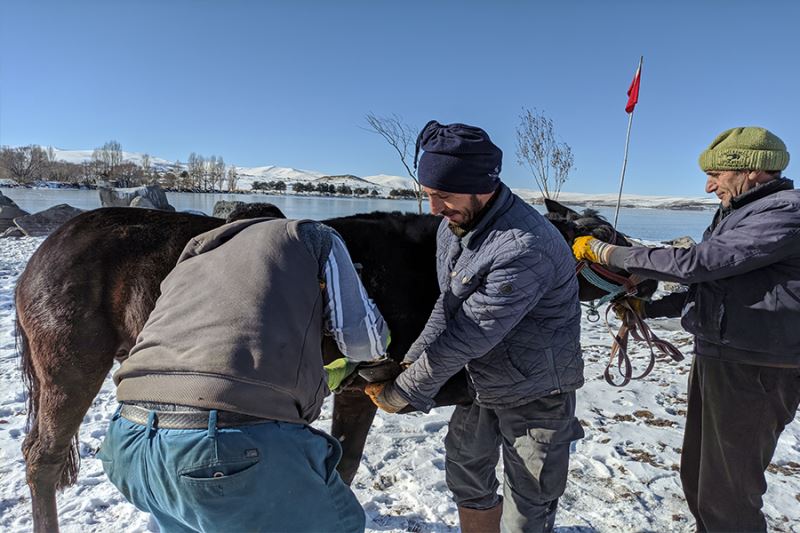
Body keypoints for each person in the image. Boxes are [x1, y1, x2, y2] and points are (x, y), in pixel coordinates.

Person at [573, 126, 800, 532]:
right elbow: (711, 283)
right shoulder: (739, 213)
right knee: (699, 482)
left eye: (716, 173)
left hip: (757, 368)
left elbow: (697, 263)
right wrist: (651, 307)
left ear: (751, 171)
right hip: (721, 355)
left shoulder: (786, 211)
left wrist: (608, 252)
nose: (709, 185)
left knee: (729, 496)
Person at [98, 217, 390, 532]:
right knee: (342, 522)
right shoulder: (314, 236)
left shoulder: (197, 251)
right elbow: (363, 343)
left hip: (127, 442)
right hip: (217, 448)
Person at [365, 121, 585, 533]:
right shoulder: (454, 228)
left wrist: (406, 391)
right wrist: (408, 362)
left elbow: (469, 333)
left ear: (480, 186)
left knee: (529, 502)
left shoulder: (524, 244)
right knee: (466, 473)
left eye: (443, 196)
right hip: (482, 380)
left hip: (536, 389)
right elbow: (447, 310)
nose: (433, 208)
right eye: (429, 195)